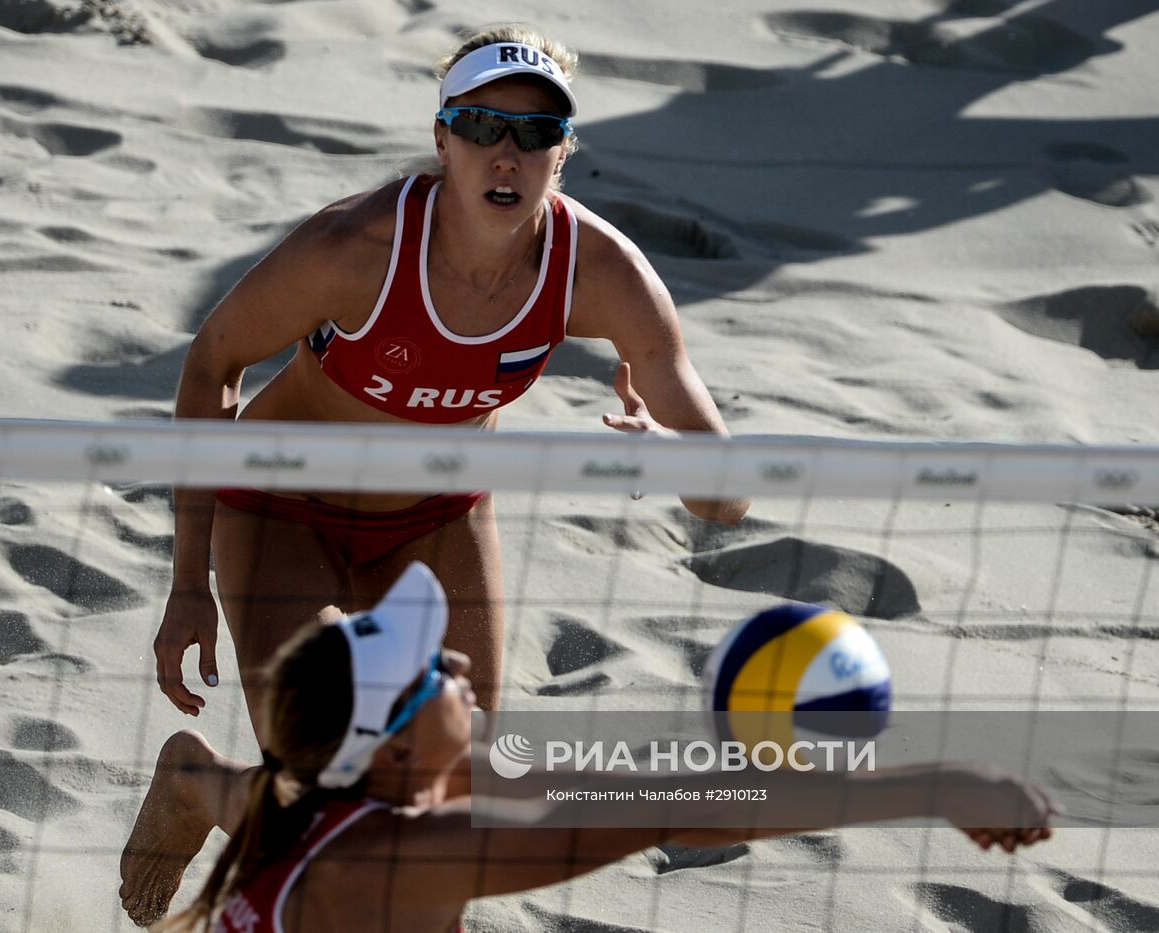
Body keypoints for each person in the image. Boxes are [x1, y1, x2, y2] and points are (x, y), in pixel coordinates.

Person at [154, 25, 751, 728]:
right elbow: (213, 361)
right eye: (480, 125)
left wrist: (674, 453)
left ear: (563, 153)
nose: (506, 154)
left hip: (440, 518)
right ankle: (192, 779)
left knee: (463, 799)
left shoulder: (602, 273)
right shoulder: (356, 249)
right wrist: (189, 578)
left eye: (535, 133)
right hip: (286, 506)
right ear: (443, 140)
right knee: (323, 782)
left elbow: (730, 496)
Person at [120, 562, 1056, 930]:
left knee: (209, 782)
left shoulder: (305, 789)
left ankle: (178, 768)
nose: (455, 659)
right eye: (430, 673)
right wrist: (943, 780)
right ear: (391, 749)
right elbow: (650, 812)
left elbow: (632, 787)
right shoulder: (409, 848)